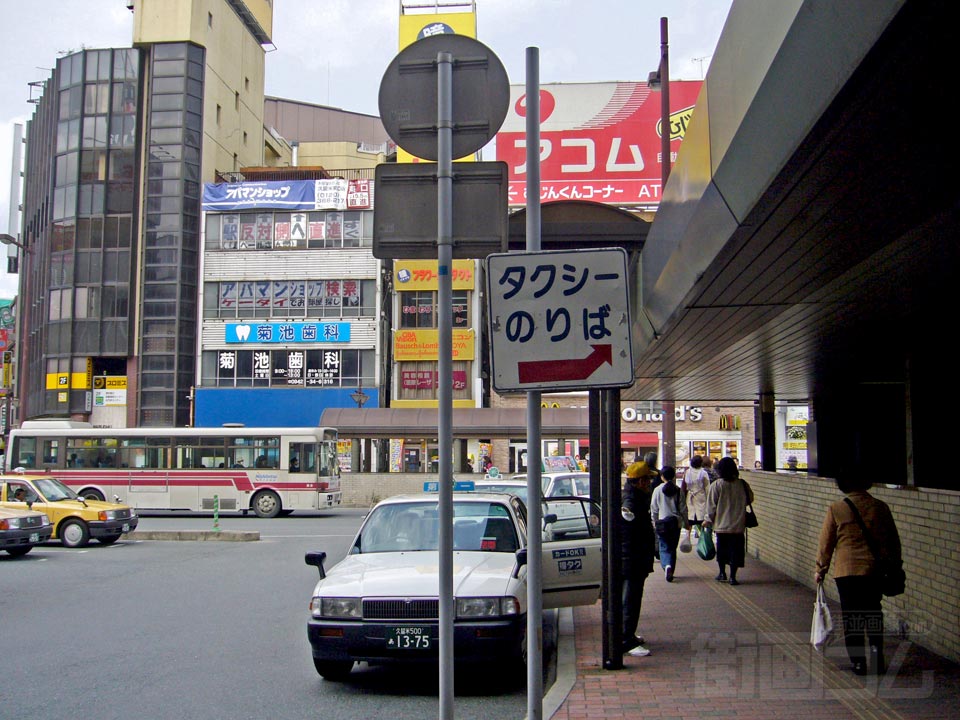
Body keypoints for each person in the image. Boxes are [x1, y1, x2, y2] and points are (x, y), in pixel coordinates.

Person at [815, 470, 902, 676]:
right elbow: (893, 541)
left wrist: (820, 569)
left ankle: (859, 663)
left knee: (852, 616)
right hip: (874, 571)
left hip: (847, 572)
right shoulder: (880, 507)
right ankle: (876, 659)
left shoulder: (837, 509)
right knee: (873, 613)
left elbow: (826, 543)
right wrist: (895, 565)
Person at [619, 461, 656, 657]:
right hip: (631, 558)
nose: (650, 482)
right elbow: (629, 532)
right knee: (630, 599)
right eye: (648, 479)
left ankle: (628, 635)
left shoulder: (635, 498)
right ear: (640, 481)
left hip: (633, 556)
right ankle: (626, 639)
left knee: (632, 597)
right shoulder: (631, 502)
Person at [704, 457, 753, 586]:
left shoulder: (717, 485)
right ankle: (733, 576)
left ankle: (722, 573)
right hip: (738, 525)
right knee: (736, 551)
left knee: (722, 550)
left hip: (721, 525)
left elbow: (711, 506)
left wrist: (707, 520)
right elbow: (750, 499)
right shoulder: (742, 484)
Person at [650, 465, 687, 582]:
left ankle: (667, 566)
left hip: (662, 523)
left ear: (662, 477)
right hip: (675, 523)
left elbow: (654, 508)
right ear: (674, 476)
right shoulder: (678, 490)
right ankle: (671, 568)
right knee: (672, 547)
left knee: (664, 546)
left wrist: (654, 521)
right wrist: (686, 522)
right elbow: (683, 509)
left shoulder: (657, 490)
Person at [682, 455, 710, 538]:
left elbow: (684, 487)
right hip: (701, 497)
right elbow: (707, 487)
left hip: (690, 497)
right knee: (701, 518)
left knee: (690, 519)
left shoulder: (687, 472)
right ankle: (701, 538)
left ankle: (687, 538)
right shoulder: (703, 473)